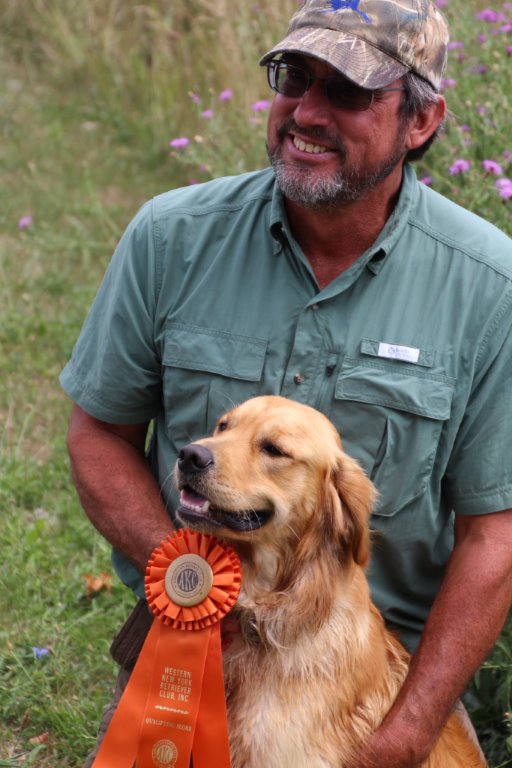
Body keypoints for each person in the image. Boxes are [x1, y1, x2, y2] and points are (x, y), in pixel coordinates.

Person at [61, 1, 512, 766]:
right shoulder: (171, 237)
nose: (305, 112)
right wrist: (188, 575)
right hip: (185, 655)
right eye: (293, 78)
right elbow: (97, 435)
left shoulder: (489, 288)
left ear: (422, 121)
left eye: (347, 92)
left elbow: (493, 536)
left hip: (377, 672)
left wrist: (403, 734)